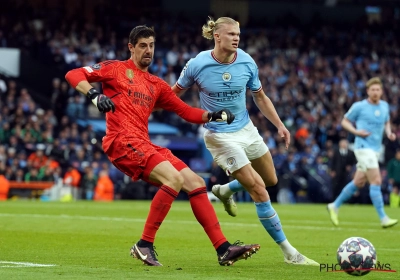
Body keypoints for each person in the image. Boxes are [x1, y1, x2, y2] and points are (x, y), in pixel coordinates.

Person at [65, 25, 260, 267]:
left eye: (152, 45)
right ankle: (144, 244)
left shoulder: (156, 84)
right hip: (122, 141)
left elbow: (186, 111)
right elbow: (73, 74)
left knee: (195, 183)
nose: (148, 50)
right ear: (131, 48)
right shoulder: (115, 69)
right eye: (143, 45)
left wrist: (213, 116)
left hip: (144, 143)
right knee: (174, 180)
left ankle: (223, 248)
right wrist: (95, 96)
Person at [172, 16, 318, 266]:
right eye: (231, 34)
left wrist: (280, 125)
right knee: (259, 189)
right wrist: (191, 115)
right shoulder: (198, 64)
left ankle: (224, 190)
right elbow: (173, 95)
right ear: (217, 37)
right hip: (219, 135)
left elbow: (260, 97)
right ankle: (290, 253)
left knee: (270, 180)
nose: (236, 38)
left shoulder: (248, 62)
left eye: (238, 34)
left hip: (247, 130)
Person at [327, 77, 398, 228]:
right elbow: (344, 121)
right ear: (368, 91)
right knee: (376, 181)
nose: (375, 92)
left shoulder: (385, 106)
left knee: (358, 182)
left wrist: (389, 132)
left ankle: (334, 205)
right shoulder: (359, 106)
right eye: (372, 89)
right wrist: (356, 132)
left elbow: (386, 121)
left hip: (376, 149)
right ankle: (383, 218)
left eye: (378, 89)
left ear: (381, 91)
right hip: (362, 148)